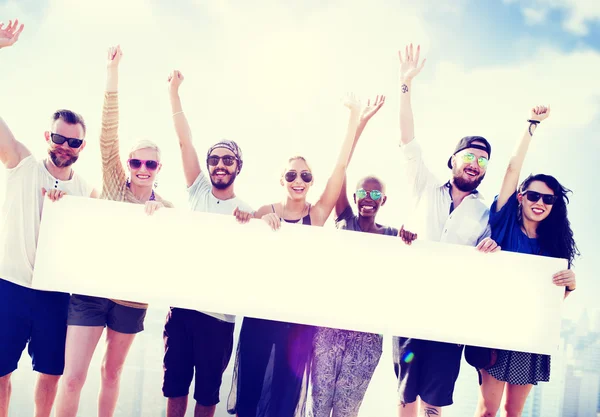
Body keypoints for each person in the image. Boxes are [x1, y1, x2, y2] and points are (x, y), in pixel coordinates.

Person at [55, 45, 173, 417]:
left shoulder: (167, 210)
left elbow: (175, 259)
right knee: (73, 378)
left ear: (158, 167)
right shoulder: (112, 184)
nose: (141, 167)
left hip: (131, 300)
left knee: (112, 372)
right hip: (91, 292)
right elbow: (107, 133)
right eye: (136, 161)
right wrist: (112, 72)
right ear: (127, 163)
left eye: (149, 163)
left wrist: (159, 221)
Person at [227, 93, 363, 417]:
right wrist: (253, 220)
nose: (298, 180)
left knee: (284, 400)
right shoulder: (264, 211)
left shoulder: (316, 216)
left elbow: (340, 168)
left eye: (305, 175)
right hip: (260, 314)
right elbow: (240, 241)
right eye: (291, 175)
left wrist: (354, 119)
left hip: (298, 322)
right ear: (282, 180)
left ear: (311, 182)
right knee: (250, 394)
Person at [393, 43, 500, 417]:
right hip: (410, 303)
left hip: (450, 314)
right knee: (405, 393)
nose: (475, 164)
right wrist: (405, 84)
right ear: (453, 159)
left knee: (435, 400)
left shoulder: (488, 211)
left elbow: (491, 254)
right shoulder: (426, 185)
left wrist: (492, 245)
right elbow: (408, 140)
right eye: (469, 156)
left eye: (482, 161)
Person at [0, 20, 99, 417]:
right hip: (9, 286)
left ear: (81, 146)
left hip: (56, 295)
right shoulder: (21, 163)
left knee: (51, 375)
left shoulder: (85, 190)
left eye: (73, 142)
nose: (64, 146)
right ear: (47, 137)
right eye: (58, 138)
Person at [308, 94, 417, 417]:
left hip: (366, 339)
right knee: (319, 409)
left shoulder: (389, 236)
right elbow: (340, 168)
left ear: (383, 200)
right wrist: (358, 124)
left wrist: (408, 240)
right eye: (362, 193)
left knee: (345, 412)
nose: (367, 199)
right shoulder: (344, 219)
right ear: (354, 197)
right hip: (328, 330)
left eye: (374, 194)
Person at [473, 106, 578, 417]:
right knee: (488, 411)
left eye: (548, 199)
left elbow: (554, 301)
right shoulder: (505, 223)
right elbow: (511, 170)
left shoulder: (554, 245)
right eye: (533, 196)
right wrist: (531, 125)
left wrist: (570, 286)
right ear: (520, 197)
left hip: (529, 333)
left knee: (512, 413)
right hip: (495, 328)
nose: (540, 203)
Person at [162, 69, 253, 417]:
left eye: (227, 160)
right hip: (182, 309)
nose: (219, 165)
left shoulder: (247, 211)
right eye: (214, 159)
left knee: (207, 396)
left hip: (218, 318)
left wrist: (255, 223)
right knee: (175, 389)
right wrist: (174, 93)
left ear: (238, 166)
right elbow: (185, 140)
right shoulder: (198, 190)